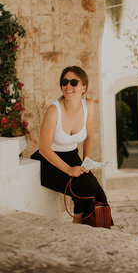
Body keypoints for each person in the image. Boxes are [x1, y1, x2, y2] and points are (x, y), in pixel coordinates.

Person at [31, 65, 111, 225]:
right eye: (64, 81)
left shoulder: (88, 105)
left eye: (74, 82)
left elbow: (88, 137)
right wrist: (68, 169)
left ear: (84, 87)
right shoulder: (54, 110)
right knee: (84, 187)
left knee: (99, 194)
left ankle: (102, 229)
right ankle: (78, 226)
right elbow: (44, 149)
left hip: (72, 156)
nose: (68, 86)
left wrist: (86, 161)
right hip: (48, 162)